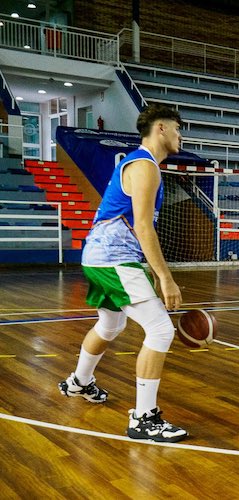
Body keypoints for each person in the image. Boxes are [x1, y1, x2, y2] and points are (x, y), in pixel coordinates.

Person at [57, 104, 188, 443]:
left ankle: (79, 381)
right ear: (160, 128)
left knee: (111, 324)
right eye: (177, 129)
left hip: (97, 255)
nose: (180, 136)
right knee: (160, 330)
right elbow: (144, 227)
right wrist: (165, 277)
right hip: (113, 258)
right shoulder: (145, 167)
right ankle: (144, 419)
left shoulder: (140, 164)